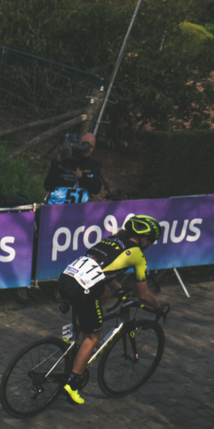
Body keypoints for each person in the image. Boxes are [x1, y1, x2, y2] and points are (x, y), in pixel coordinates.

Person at [57, 214, 167, 405]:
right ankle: (72, 383)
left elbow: (103, 268)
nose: (150, 245)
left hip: (66, 279)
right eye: (151, 241)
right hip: (84, 289)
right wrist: (160, 306)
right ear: (144, 239)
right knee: (93, 337)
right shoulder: (138, 255)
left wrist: (118, 288)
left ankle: (79, 328)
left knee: (105, 293)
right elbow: (143, 295)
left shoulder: (111, 240)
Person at [44, 132, 104, 205]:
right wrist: (58, 164)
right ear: (79, 144)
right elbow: (48, 185)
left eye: (91, 147)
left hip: (78, 209)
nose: (88, 149)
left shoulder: (94, 165)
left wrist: (81, 176)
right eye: (85, 145)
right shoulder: (65, 159)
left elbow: (96, 189)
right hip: (56, 206)